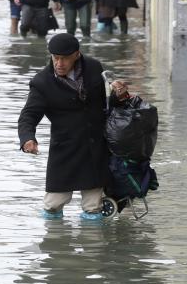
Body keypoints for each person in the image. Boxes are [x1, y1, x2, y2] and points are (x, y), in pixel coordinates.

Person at [18, 34, 128, 220]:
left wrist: (119, 94)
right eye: (55, 58)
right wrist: (28, 138)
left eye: (64, 58)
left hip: (96, 147)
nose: (59, 63)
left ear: (76, 54)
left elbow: (108, 102)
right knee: (53, 205)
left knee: (93, 208)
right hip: (65, 149)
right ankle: (56, 245)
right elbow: (28, 115)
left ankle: (94, 246)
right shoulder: (42, 82)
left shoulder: (94, 68)